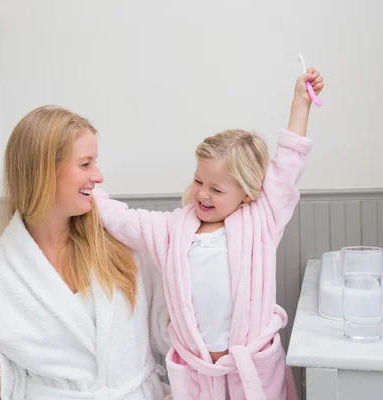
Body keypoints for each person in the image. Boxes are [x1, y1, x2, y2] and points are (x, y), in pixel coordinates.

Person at [93, 68, 324, 399]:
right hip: (198, 373)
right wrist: (90, 194)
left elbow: (288, 164)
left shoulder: (263, 219)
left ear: (247, 192)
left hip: (253, 370)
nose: (202, 194)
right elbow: (124, 220)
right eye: (199, 181)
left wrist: (301, 103)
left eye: (216, 189)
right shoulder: (173, 230)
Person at [0, 106, 171, 399]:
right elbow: (10, 390)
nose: (98, 176)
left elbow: (171, 329)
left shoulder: (123, 245)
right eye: (85, 164)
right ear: (44, 172)